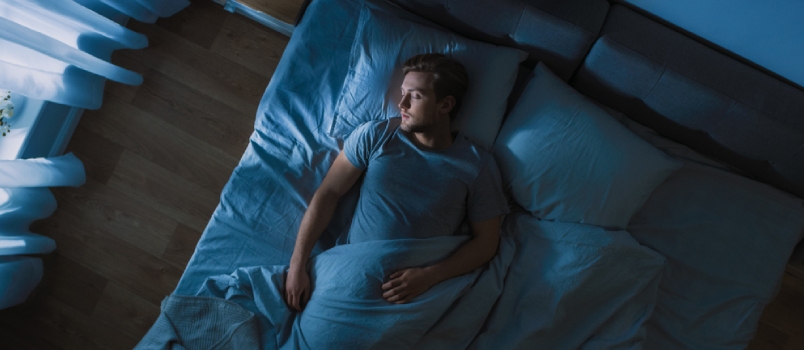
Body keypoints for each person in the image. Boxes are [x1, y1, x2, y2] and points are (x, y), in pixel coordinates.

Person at [283, 53, 509, 311]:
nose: (401, 103)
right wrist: (297, 267)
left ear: (445, 105)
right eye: (402, 92)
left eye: (415, 96)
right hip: (350, 271)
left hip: (414, 293)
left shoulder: (477, 166)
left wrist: (430, 276)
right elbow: (329, 192)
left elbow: (486, 243)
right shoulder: (377, 135)